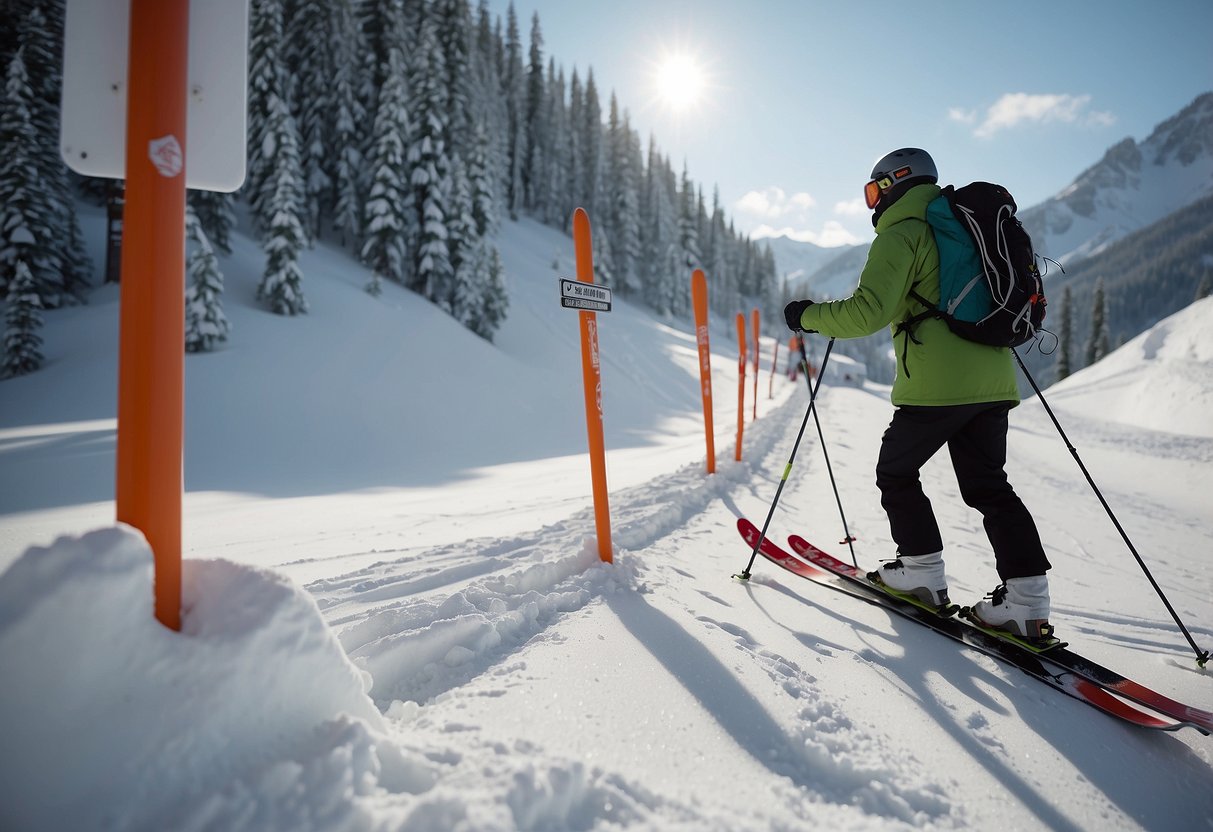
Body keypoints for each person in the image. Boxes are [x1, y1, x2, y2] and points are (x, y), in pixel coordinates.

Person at [782, 147, 1054, 643]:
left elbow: (867, 313)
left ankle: (923, 574)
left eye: (872, 191)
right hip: (995, 380)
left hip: (936, 386)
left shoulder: (902, 233)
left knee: (896, 471)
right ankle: (1027, 603)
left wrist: (807, 316)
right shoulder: (968, 228)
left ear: (892, 184)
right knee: (989, 486)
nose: (871, 204)